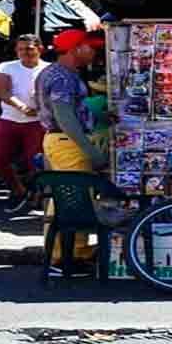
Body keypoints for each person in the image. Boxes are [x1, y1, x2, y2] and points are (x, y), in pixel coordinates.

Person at [35, 29, 106, 272]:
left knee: (71, 197)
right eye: (91, 47)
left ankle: (75, 252)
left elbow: (71, 110)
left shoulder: (61, 73)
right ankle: (60, 257)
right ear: (76, 49)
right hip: (68, 142)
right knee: (71, 200)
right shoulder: (63, 77)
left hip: (63, 141)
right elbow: (63, 115)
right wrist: (88, 149)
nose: (94, 52)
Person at [0, 34, 50, 213]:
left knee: (35, 161)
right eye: (20, 49)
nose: (24, 53)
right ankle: (17, 190)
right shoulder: (5, 67)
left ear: (39, 49)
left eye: (29, 48)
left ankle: (35, 195)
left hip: (36, 122)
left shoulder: (48, 69)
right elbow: (2, 92)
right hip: (9, 119)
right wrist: (23, 107)